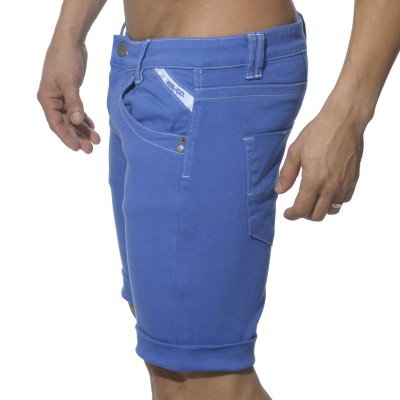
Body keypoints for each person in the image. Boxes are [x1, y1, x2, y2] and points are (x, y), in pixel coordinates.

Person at [37, 1, 400, 399]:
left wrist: (349, 114)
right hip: (140, 68)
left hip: (213, 79)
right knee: (172, 372)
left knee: (209, 386)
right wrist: (68, 36)